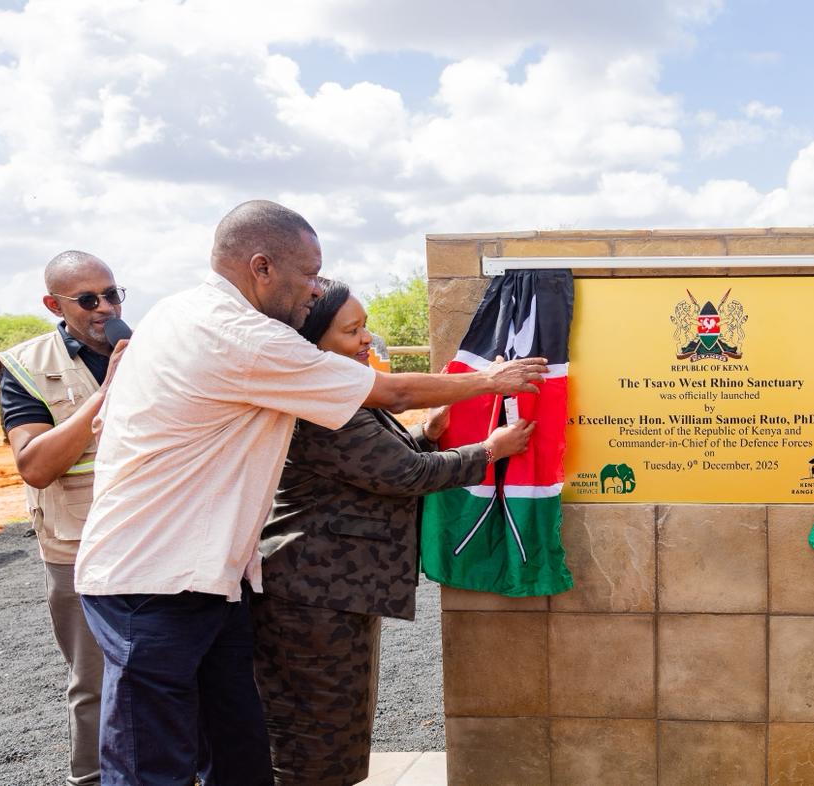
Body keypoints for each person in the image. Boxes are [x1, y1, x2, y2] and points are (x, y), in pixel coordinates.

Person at [74, 200, 548, 785]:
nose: (315, 288)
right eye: (310, 274)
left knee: (238, 751)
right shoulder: (243, 337)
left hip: (211, 579)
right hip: (153, 580)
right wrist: (491, 381)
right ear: (262, 267)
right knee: (155, 762)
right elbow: (393, 401)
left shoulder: (178, 314)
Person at [250, 279, 534, 785]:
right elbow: (406, 475)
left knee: (338, 733)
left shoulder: (340, 390)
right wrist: (492, 450)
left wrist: (428, 433)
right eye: (351, 331)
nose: (366, 339)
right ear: (314, 342)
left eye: (364, 327)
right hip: (311, 599)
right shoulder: (321, 404)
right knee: (313, 742)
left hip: (333, 594)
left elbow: (374, 467)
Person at [0, 251, 128, 786]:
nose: (105, 308)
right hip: (77, 550)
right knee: (95, 682)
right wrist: (105, 396)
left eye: (112, 294)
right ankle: (92, 778)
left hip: (155, 540)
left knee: (171, 671)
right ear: (54, 305)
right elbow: (35, 466)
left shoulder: (148, 350)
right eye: (88, 299)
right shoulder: (27, 366)